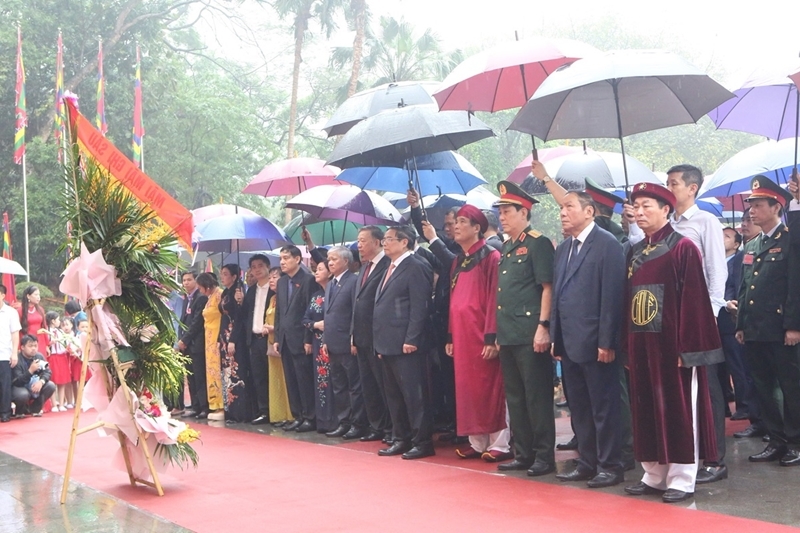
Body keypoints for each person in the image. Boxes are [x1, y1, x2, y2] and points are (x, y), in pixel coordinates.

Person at [622, 182, 721, 504]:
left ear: (666, 209)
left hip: (673, 346)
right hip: (642, 344)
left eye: (646, 206)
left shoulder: (683, 247)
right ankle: (653, 473)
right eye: (636, 207)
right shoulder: (636, 252)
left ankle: (682, 477)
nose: (639, 213)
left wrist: (689, 348)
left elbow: (694, 301)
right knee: (647, 407)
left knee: (679, 410)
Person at [550, 191, 626, 488]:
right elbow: (559, 295)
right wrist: (556, 336)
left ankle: (611, 465)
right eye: (561, 208)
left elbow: (612, 297)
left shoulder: (607, 244)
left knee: (603, 407)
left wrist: (607, 341)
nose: (563, 213)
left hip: (596, 342)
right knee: (579, 406)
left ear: (589, 211)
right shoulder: (564, 248)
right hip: (569, 342)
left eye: (569, 207)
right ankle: (587, 461)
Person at [735, 176, 800, 466]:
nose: (752, 210)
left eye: (758, 205)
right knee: (762, 387)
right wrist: (740, 325)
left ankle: (796, 442)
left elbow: (795, 287)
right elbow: (744, 286)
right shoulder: (751, 245)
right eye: (751, 205)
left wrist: (794, 325)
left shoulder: (791, 240)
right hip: (755, 329)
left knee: (791, 388)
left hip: (781, 329)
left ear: (777, 206)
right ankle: (776, 440)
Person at [492, 180, 556, 477]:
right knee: (515, 396)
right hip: (509, 332)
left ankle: (544, 455)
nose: (501, 217)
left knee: (537, 396)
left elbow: (547, 287)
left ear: (524, 212)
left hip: (531, 332)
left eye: (507, 211)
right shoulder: (507, 246)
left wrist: (543, 326)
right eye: (500, 212)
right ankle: (524, 452)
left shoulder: (537, 243)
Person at [441, 205, 510, 462]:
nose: (455, 226)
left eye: (461, 221)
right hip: (462, 334)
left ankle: (500, 443)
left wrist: (491, 336)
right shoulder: (459, 261)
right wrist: (450, 335)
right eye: (455, 221)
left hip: (482, 332)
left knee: (491, 386)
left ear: (476, 227)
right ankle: (476, 440)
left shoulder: (491, 257)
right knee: (467, 388)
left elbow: (494, 298)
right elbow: (454, 301)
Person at [374, 226, 435, 459]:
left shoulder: (416, 266)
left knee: (414, 395)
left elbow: (419, 306)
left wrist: (412, 338)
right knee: (394, 395)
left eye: (389, 239)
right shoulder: (389, 267)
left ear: (404, 242)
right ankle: (401, 438)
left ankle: (422, 441)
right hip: (387, 343)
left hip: (407, 344)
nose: (385, 243)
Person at [351, 226, 392, 443]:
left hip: (379, 337)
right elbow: (356, 304)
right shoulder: (364, 269)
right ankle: (376, 426)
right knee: (368, 386)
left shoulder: (387, 265)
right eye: (358, 241)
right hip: (361, 337)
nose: (359, 245)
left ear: (377, 242)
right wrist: (353, 336)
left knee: (383, 384)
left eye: (363, 241)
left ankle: (390, 427)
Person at [275, 245, 321, 432]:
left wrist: (307, 339)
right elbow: (279, 312)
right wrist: (277, 337)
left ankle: (310, 416)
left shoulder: (308, 279)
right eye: (281, 259)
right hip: (285, 338)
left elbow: (310, 311)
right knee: (291, 380)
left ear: (298, 259)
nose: (282, 262)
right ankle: (297, 415)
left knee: (304, 379)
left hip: (301, 337)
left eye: (286, 258)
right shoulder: (281, 282)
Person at [322, 246, 366, 440]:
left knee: (354, 386)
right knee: (338, 385)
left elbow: (355, 314)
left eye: (334, 259)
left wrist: (353, 338)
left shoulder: (353, 281)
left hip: (347, 342)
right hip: (332, 342)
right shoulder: (331, 283)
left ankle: (358, 423)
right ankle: (344, 421)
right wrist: (324, 339)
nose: (330, 262)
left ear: (346, 261)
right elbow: (328, 314)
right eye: (329, 259)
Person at [232, 254, 273, 425]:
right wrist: (239, 303)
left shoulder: (274, 289)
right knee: (258, 377)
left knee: (273, 376)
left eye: (260, 265)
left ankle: (277, 411)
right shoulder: (251, 291)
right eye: (253, 266)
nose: (257, 269)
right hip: (254, 340)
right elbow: (242, 319)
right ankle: (263, 410)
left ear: (268, 267)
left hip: (270, 337)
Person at [302, 260, 336, 433]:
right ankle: (322, 421)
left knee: (334, 382)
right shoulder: (316, 296)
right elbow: (305, 319)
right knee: (320, 382)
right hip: (317, 343)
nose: (316, 272)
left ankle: (336, 421)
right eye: (315, 270)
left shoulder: (335, 291)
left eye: (320, 269)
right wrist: (315, 325)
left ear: (330, 273)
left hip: (333, 342)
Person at [218, 264, 250, 423]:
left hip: (234, 337)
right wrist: (220, 340)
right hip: (224, 337)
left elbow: (239, 319)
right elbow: (223, 318)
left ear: (235, 276)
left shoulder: (239, 292)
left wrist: (233, 340)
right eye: (221, 274)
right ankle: (229, 410)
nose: (222, 277)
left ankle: (239, 412)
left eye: (225, 274)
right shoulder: (225, 292)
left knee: (236, 373)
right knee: (226, 373)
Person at [177, 271, 209, 419]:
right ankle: (195, 405)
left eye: (189, 280)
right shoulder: (186, 299)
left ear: (196, 281)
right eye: (184, 280)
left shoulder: (201, 298)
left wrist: (185, 340)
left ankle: (204, 406)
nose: (186, 283)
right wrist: (180, 339)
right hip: (186, 344)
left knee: (199, 376)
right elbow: (182, 322)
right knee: (190, 376)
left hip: (196, 343)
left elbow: (197, 323)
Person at [265, 267, 293, 425]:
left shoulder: (285, 297)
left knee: (285, 379)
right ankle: (279, 414)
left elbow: (284, 320)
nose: (271, 280)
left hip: (282, 340)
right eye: (270, 278)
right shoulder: (272, 299)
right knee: (275, 381)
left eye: (275, 277)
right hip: (271, 341)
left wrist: (274, 328)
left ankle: (290, 415)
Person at [196, 273, 224, 421]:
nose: (200, 290)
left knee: (217, 371)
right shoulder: (209, 298)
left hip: (217, 337)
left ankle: (221, 405)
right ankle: (214, 403)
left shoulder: (219, 295)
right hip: (209, 339)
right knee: (211, 371)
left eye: (201, 287)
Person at [12, 335, 56, 417]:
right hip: (20, 387)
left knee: (51, 385)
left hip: (35, 384)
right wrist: (30, 371)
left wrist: (41, 382)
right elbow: (17, 381)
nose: (33, 348)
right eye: (30, 346)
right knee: (22, 394)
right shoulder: (17, 359)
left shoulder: (39, 356)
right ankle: (20, 411)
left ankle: (34, 409)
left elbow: (48, 372)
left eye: (35, 346)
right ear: (22, 347)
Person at [0, 284, 21, 422]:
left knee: (4, 384)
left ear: (2, 295)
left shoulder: (10, 312)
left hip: (4, 354)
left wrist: (14, 353)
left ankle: (5, 412)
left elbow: (15, 334)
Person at [45, 312, 69, 412]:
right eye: (58, 319)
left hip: (61, 356)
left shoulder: (60, 332)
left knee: (62, 381)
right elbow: (46, 344)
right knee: (53, 380)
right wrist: (51, 343)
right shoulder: (47, 331)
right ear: (53, 321)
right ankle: (54, 404)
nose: (59, 322)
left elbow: (65, 343)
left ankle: (62, 403)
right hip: (53, 357)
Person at [19, 286, 49, 358]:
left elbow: (44, 327)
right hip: (27, 341)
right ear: (28, 296)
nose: (38, 297)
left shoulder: (40, 309)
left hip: (40, 341)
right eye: (36, 295)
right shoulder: (20, 311)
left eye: (39, 295)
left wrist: (47, 345)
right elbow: (18, 331)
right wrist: (19, 346)